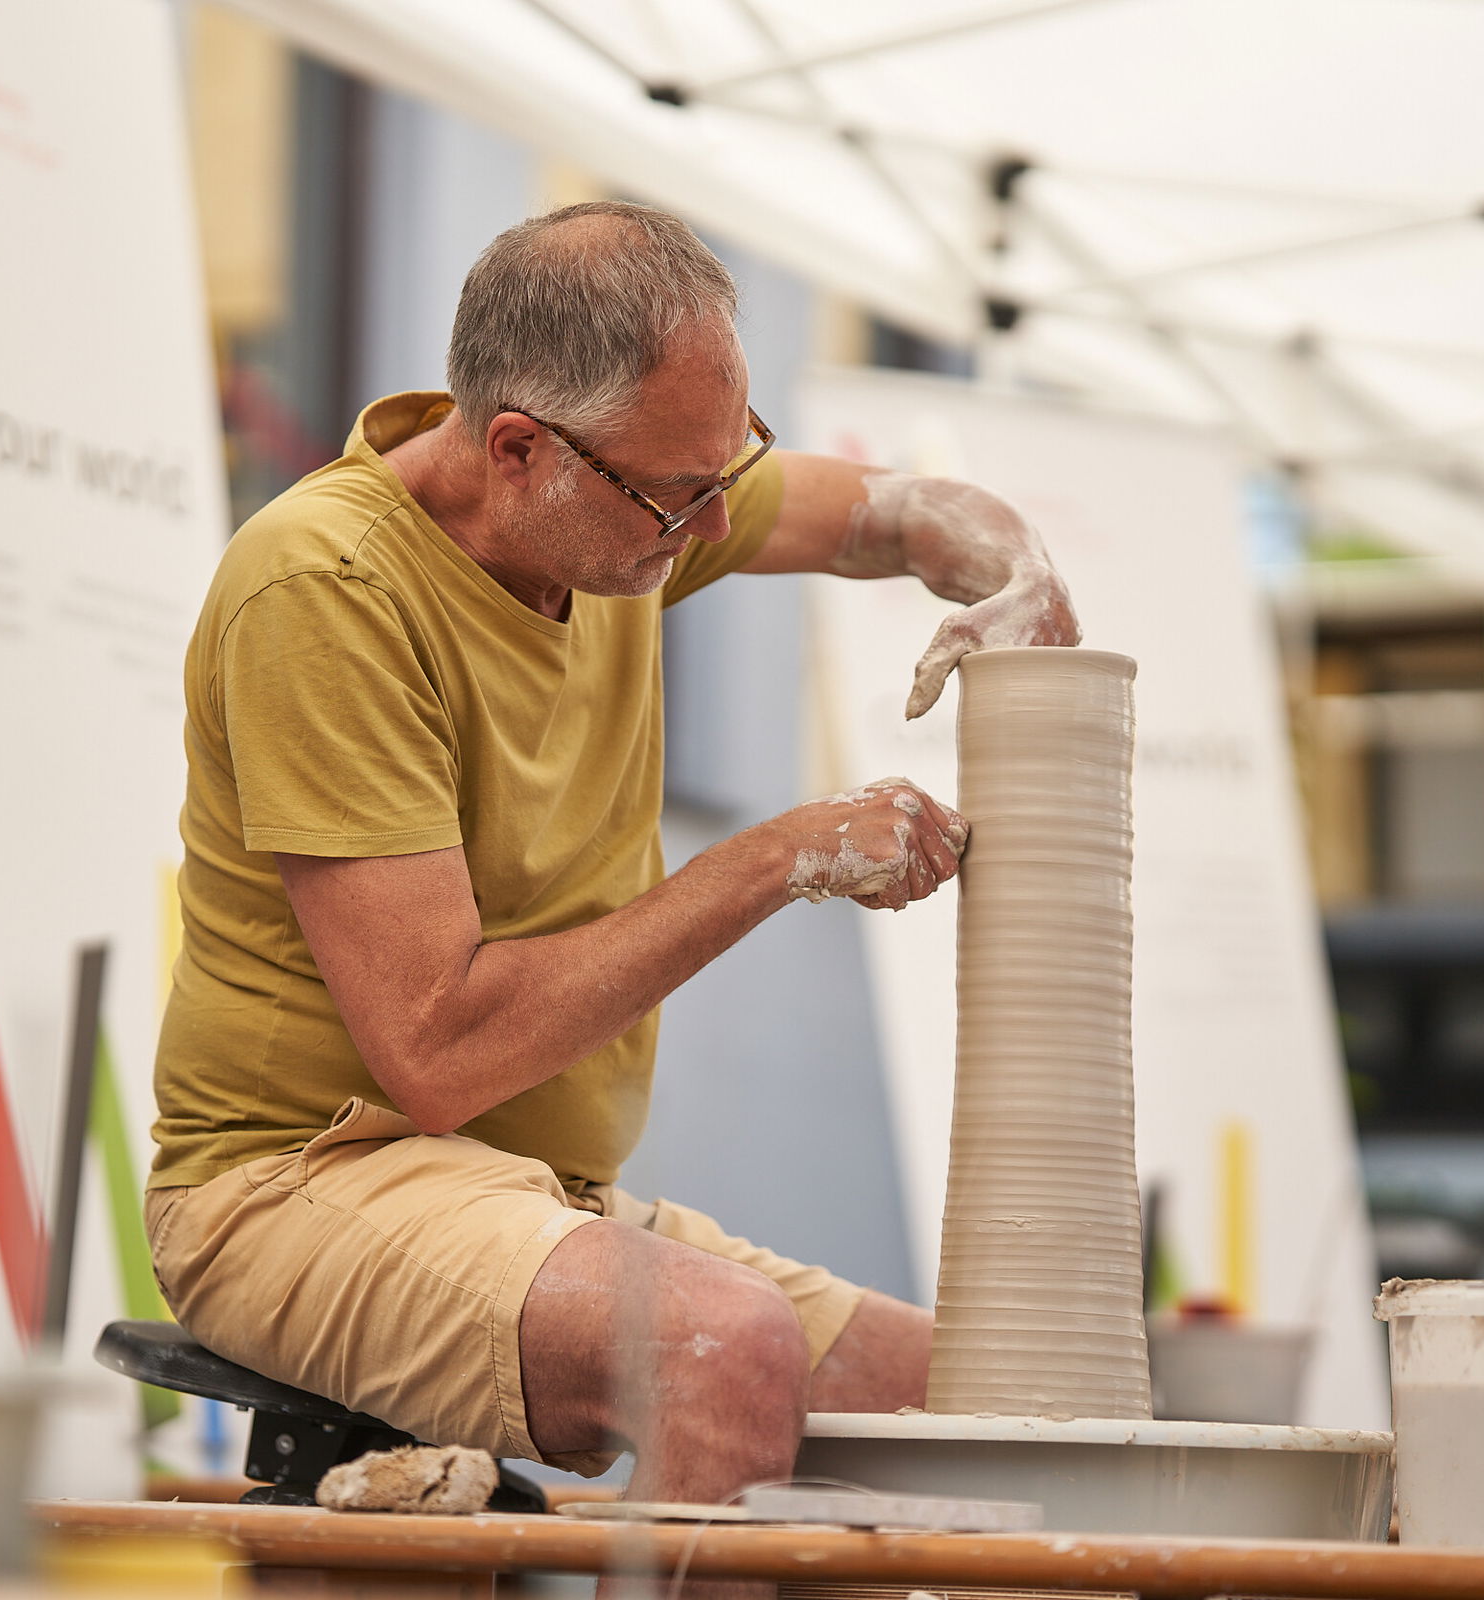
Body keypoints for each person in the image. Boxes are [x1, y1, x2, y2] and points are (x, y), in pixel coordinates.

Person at [145, 201, 1077, 1546]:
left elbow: (889, 516)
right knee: (720, 1352)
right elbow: (437, 1049)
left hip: (525, 1189)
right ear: (519, 446)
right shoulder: (325, 589)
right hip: (293, 1183)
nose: (708, 525)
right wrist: (779, 858)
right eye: (677, 497)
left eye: (725, 474)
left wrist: (1009, 562)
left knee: (964, 1396)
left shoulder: (618, 494)